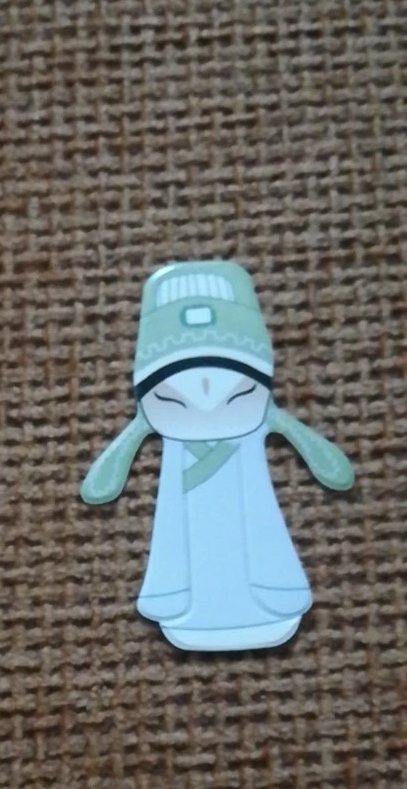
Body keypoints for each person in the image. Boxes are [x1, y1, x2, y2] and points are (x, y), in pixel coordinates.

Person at [81, 261, 354, 652]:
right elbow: (99, 487)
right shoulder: (165, 426)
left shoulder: (260, 418)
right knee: (181, 544)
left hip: (259, 551)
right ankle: (184, 602)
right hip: (186, 583)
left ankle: (266, 598)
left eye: (238, 392)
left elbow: (332, 467)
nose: (207, 399)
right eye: (173, 398)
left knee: (256, 538)